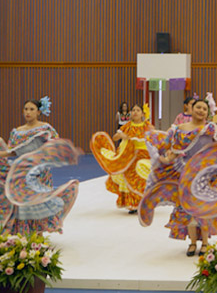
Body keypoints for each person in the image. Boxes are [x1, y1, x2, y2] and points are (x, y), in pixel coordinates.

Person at [140, 96, 217, 256]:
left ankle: (204, 243)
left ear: (207, 112)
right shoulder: (178, 129)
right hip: (185, 175)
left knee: (203, 209)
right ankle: (192, 243)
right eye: (198, 107)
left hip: (207, 175)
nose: (201, 111)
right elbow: (166, 147)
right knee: (188, 210)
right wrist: (164, 159)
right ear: (191, 109)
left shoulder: (211, 128)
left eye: (204, 109)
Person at [0, 97, 80, 235]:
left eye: (32, 109)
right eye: (26, 109)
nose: (28, 112)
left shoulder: (45, 129)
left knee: (39, 201)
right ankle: (24, 234)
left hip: (40, 172)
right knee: (23, 203)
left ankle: (38, 234)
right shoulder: (17, 132)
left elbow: (53, 146)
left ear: (38, 112)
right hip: (22, 172)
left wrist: (65, 153)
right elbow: (13, 152)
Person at [91, 103, 154, 214]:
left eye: (137, 110)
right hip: (128, 156)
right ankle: (133, 203)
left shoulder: (147, 126)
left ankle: (143, 201)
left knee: (140, 173)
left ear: (142, 114)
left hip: (143, 155)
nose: (135, 112)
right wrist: (121, 136)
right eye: (133, 110)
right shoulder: (127, 126)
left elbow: (155, 137)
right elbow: (115, 137)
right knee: (127, 174)